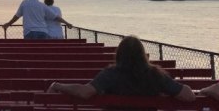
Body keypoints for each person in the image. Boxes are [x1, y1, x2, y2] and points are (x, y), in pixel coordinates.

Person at [47, 35, 195, 101]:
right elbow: (188, 96)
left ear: (119, 54)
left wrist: (57, 85)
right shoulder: (156, 75)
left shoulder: (110, 74)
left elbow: (85, 92)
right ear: (143, 54)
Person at [2, 0, 71, 39]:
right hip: (42, 32)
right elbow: (56, 17)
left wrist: (8, 24)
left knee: (30, 52)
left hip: (29, 32)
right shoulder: (42, 5)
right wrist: (67, 23)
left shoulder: (24, 3)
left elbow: (17, 16)